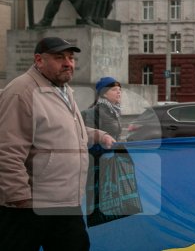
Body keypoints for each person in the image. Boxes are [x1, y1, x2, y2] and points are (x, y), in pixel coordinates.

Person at [0, 37, 115, 250]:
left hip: (64, 202)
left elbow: (61, 129)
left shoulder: (62, 89)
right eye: (59, 57)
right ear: (39, 60)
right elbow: (7, 151)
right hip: (29, 207)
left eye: (71, 58)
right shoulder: (22, 92)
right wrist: (20, 200)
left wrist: (98, 135)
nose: (68, 63)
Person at [83, 76, 123, 141]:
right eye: (114, 89)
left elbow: (116, 135)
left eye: (119, 89)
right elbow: (90, 140)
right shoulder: (93, 113)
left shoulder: (115, 111)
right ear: (104, 94)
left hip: (113, 149)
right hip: (104, 150)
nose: (118, 92)